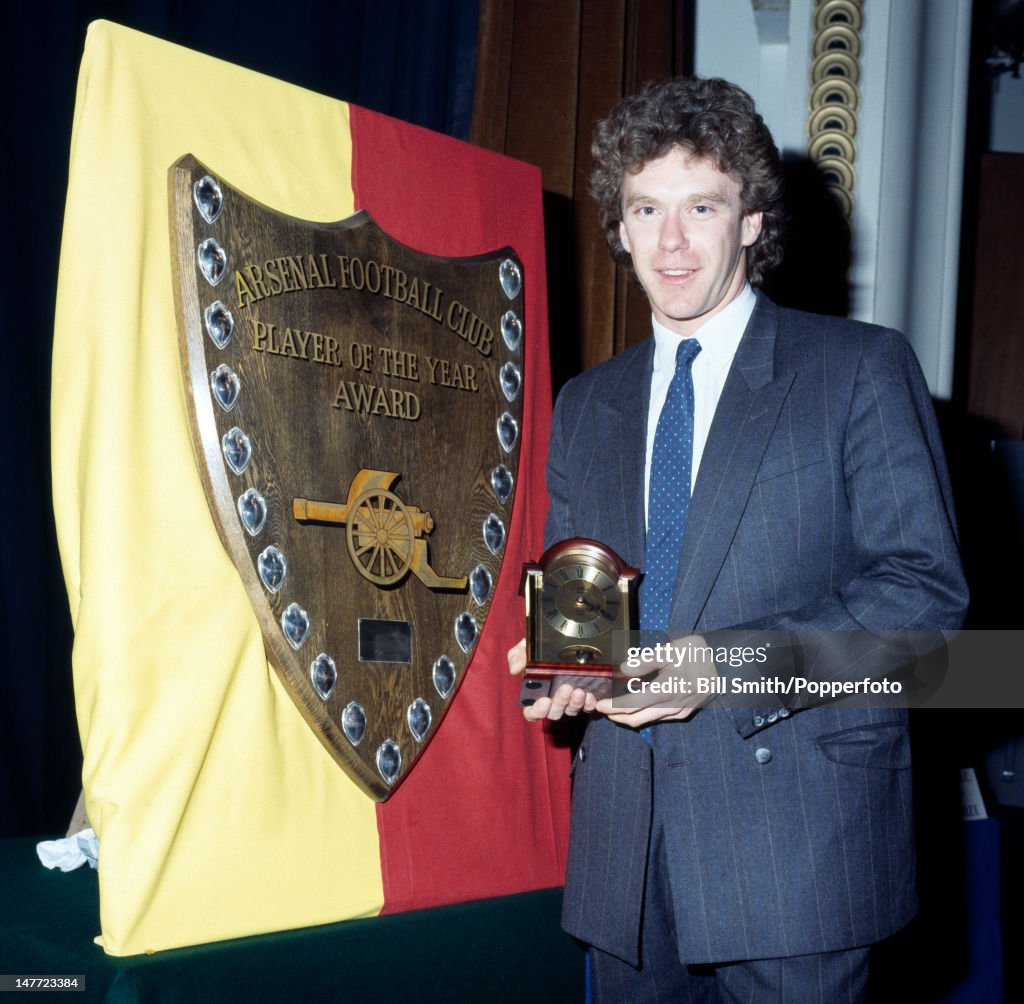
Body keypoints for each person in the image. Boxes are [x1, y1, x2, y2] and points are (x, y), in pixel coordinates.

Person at [508, 76, 968, 1002]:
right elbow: (583, 603)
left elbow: (924, 616)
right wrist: (562, 667)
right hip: (628, 858)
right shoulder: (587, 404)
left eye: (702, 206)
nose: (671, 242)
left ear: (752, 221)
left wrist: (712, 670)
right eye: (647, 208)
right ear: (621, 225)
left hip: (797, 855)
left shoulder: (857, 370)